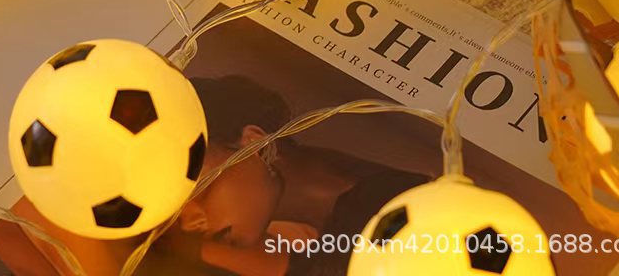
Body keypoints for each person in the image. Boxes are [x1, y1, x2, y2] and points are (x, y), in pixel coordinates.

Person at [141, 74, 428, 276]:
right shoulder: (302, 245)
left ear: (254, 143)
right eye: (174, 215)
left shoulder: (402, 208)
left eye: (198, 189)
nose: (190, 223)